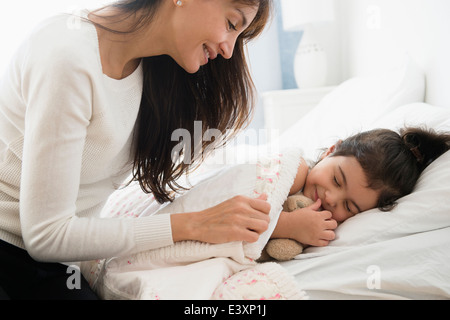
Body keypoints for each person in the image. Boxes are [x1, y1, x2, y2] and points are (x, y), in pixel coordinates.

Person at [0, 0, 273, 300]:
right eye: (232, 24)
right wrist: (194, 225)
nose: (229, 50)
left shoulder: (157, 68)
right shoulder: (68, 55)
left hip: (58, 266)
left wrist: (276, 224)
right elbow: (46, 235)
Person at [271, 127, 450, 247]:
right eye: (336, 180)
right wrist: (287, 225)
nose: (331, 199)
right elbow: (246, 213)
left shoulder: (325, 226)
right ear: (330, 151)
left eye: (349, 206)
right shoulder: (294, 171)